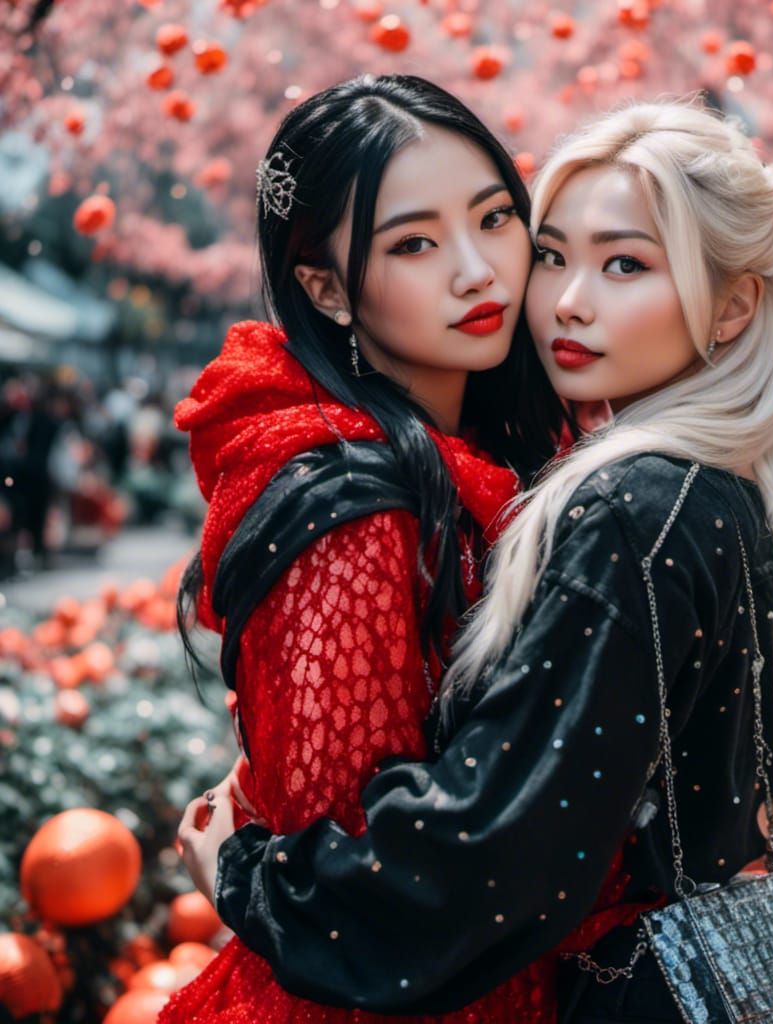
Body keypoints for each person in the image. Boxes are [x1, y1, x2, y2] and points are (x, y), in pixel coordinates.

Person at [180, 98, 773, 1021]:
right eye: (552, 254)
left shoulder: (635, 506)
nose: (557, 298)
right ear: (326, 288)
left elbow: (493, 857)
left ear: (734, 305)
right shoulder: (693, 480)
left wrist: (244, 873)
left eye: (624, 264)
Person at [160, 74, 643, 1024]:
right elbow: (361, 902)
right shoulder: (355, 519)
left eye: (495, 219)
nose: (478, 271)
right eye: (414, 243)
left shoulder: (505, 458)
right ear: (325, 287)